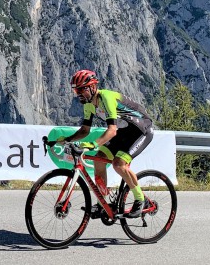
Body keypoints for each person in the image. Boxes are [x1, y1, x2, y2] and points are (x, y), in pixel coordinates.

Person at [59, 69, 155, 218]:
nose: (78, 94)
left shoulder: (106, 98)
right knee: (99, 159)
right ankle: (103, 204)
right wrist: (66, 140)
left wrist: (93, 144)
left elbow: (111, 130)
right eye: (76, 90)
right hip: (125, 131)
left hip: (141, 130)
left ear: (92, 87)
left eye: (81, 89)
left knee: (118, 164)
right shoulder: (88, 104)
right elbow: (84, 130)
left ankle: (140, 200)